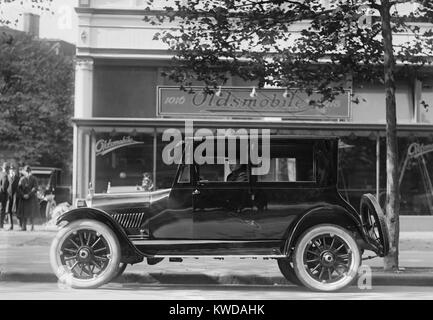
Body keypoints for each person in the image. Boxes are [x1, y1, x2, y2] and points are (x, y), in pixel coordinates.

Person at [17, 165, 39, 231]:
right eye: (26, 171)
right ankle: (24, 227)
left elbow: (35, 188)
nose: (27, 172)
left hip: (31, 198)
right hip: (24, 198)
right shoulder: (22, 179)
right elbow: (19, 188)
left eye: (28, 171)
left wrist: (29, 195)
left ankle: (32, 226)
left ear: (30, 171)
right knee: (24, 213)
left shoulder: (34, 179)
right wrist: (23, 195)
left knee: (31, 212)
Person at [5, 165, 20, 230]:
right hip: (9, 195)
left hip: (15, 196)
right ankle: (11, 225)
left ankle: (20, 224)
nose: (12, 170)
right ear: (9, 170)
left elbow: (19, 187)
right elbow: (5, 185)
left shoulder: (17, 177)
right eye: (11, 169)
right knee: (9, 210)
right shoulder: (7, 176)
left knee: (16, 211)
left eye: (13, 169)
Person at [0, 162, 10, 229]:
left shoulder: (0, 173)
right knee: (2, 209)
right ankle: (1, 225)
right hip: (2, 195)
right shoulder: (5, 175)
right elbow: (4, 187)